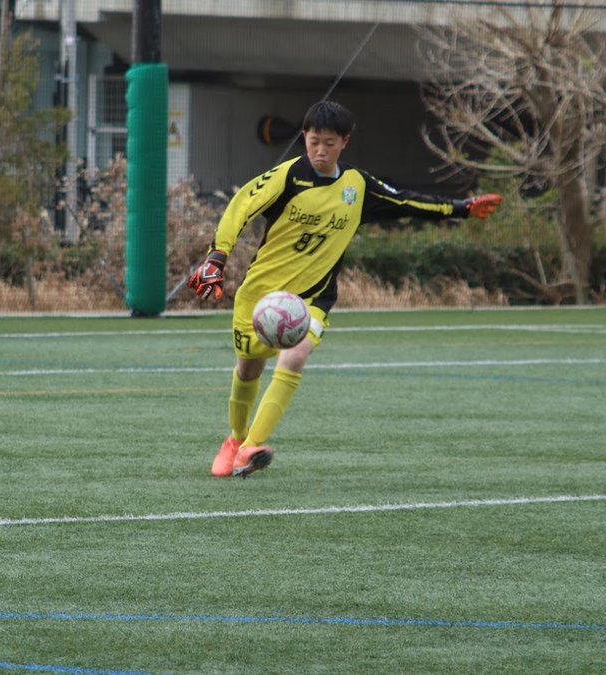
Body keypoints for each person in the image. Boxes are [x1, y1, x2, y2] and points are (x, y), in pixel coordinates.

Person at [188, 100, 501, 479]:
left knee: (296, 355)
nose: (320, 150)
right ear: (304, 137)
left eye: (329, 143)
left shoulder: (357, 185)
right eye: (314, 141)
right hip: (261, 295)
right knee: (248, 367)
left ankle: (251, 448)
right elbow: (240, 207)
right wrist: (216, 258)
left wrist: (461, 209)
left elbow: (406, 201)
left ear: (344, 142)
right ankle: (235, 440)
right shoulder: (287, 177)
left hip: (314, 296)